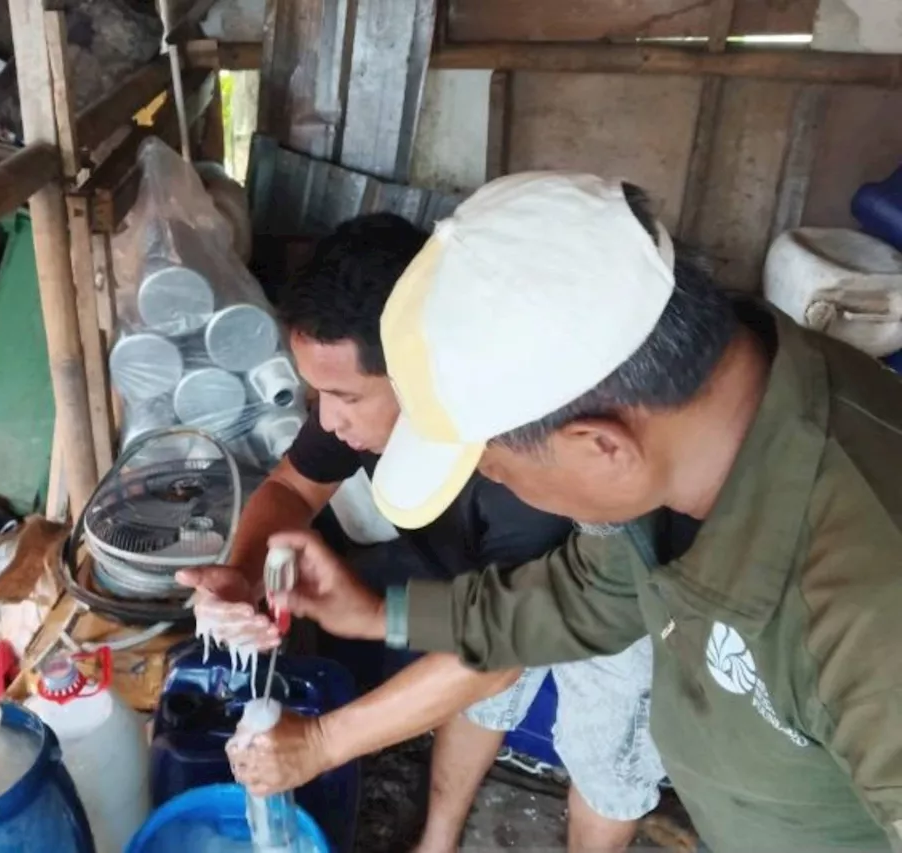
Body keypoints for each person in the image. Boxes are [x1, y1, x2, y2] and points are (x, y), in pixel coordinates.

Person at [227, 172, 902, 853]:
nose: (493, 481)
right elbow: (585, 591)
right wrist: (381, 613)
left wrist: (323, 740)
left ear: (602, 448)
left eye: (492, 467)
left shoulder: (866, 613)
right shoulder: (695, 438)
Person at [178, 213, 664, 853]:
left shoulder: (524, 466)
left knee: (606, 761)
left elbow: (493, 657)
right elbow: (293, 489)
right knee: (475, 699)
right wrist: (240, 573)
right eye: (316, 392)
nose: (328, 418)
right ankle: (437, 842)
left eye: (345, 396)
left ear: (420, 365)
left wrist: (323, 744)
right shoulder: (359, 398)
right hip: (488, 599)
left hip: (612, 596)